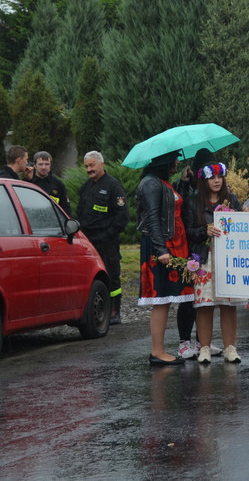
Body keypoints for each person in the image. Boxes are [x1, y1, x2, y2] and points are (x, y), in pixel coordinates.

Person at [136, 151, 195, 365]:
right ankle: (157, 352)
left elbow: (173, 207)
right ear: (164, 161)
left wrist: (184, 183)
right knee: (160, 299)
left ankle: (159, 350)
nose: (177, 163)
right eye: (174, 160)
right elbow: (152, 217)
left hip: (172, 245)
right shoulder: (150, 183)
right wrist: (161, 250)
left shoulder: (161, 182)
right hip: (161, 247)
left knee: (167, 298)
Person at [185, 161, 246, 364]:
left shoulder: (232, 199)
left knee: (229, 304)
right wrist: (205, 231)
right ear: (204, 180)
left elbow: (242, 227)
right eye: (212, 178)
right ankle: (204, 348)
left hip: (228, 258)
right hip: (204, 258)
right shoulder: (193, 202)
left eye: (220, 177)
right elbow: (188, 231)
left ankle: (230, 348)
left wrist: (243, 216)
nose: (217, 181)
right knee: (205, 304)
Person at [172, 148, 215, 359]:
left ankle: (202, 342)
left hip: (206, 250)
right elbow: (179, 206)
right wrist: (183, 182)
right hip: (190, 250)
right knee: (189, 297)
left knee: (205, 299)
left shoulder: (213, 193)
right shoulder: (186, 188)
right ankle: (184, 342)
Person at [78, 150, 130, 324]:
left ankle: (115, 311)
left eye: (92, 165)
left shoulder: (113, 186)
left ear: (102, 164)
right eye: (86, 166)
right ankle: (97, 311)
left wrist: (108, 234)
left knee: (111, 275)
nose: (89, 169)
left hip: (107, 242)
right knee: (92, 277)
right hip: (89, 242)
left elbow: (122, 216)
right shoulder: (86, 187)